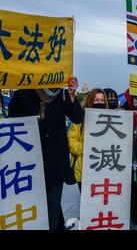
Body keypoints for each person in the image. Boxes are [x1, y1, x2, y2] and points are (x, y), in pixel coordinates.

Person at [8, 77, 83, 230]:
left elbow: (77, 118)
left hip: (55, 164)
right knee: (34, 208)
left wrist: (72, 95)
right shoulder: (23, 94)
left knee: (53, 208)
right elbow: (12, 122)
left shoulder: (62, 95)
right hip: (29, 164)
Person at [68, 89, 108, 192]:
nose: (100, 103)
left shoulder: (110, 120)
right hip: (83, 171)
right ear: (90, 101)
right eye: (96, 100)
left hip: (105, 169)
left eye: (102, 100)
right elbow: (70, 142)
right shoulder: (79, 119)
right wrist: (86, 148)